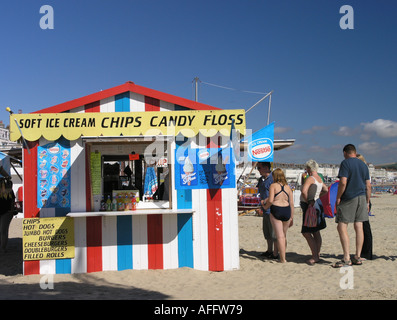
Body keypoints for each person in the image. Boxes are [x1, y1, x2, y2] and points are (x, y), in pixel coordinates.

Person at [333, 144, 371, 267]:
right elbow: (368, 185)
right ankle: (358, 256)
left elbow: (343, 182)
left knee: (342, 226)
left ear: (345, 153)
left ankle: (346, 257)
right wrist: (367, 201)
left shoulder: (346, 163)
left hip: (349, 197)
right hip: (362, 197)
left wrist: (338, 197)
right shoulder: (363, 165)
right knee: (359, 226)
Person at [300, 160, 328, 265]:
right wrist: (317, 198)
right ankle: (317, 253)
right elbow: (326, 190)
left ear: (309, 168)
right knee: (316, 231)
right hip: (317, 204)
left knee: (306, 232)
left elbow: (303, 191)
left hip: (310, 205)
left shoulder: (311, 178)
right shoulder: (319, 178)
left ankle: (315, 256)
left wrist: (309, 201)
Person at [264, 168, 294, 263]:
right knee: (284, 235)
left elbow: (271, 200)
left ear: (275, 176)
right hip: (287, 210)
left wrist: (265, 207)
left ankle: (282, 259)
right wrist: (292, 217)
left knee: (279, 236)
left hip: (276, 209)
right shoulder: (288, 187)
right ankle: (282, 255)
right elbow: (292, 203)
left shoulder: (273, 186)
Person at [256, 162, 278, 259]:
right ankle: (269, 250)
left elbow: (275, 194)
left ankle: (275, 252)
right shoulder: (261, 180)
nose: (258, 170)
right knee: (267, 232)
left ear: (266, 168)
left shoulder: (273, 179)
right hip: (264, 209)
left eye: (259, 168)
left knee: (274, 233)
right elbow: (258, 191)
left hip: (272, 209)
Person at [356, 154, 373, 260]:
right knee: (361, 227)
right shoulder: (362, 171)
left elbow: (368, 187)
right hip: (363, 199)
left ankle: (366, 253)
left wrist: (367, 203)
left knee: (365, 227)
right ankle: (363, 252)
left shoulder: (364, 171)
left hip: (364, 200)